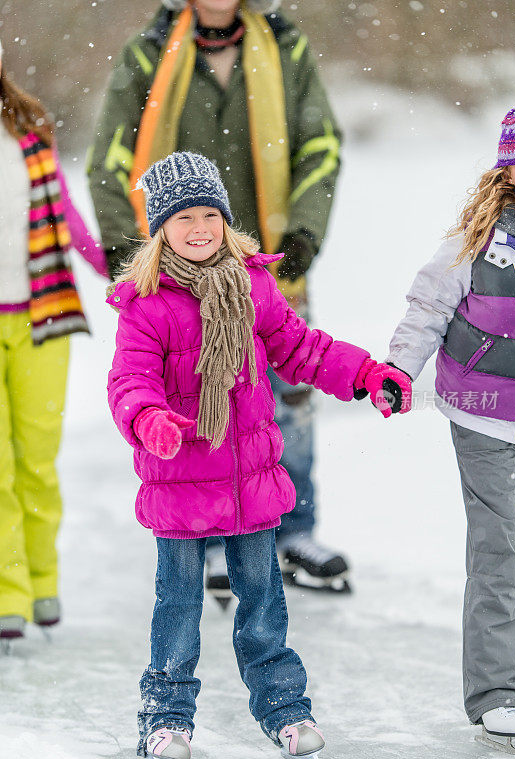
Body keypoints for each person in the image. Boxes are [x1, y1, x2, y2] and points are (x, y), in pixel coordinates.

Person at [106, 151, 411, 759]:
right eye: (184, 217)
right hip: (182, 486)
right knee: (179, 609)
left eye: (210, 214)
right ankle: (164, 718)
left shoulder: (251, 284)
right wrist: (148, 421)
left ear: (225, 218)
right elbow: (130, 382)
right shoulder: (147, 302)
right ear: (160, 227)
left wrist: (364, 374)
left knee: (265, 606)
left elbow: (302, 348)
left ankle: (286, 711)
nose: (199, 228)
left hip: (250, 485)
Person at [89, 0, 350, 601]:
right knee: (194, 392)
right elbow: (110, 158)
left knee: (291, 393)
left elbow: (321, 144)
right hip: (176, 271)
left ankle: (293, 531)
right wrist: (126, 245)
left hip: (269, 262)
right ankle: (207, 538)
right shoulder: (148, 52)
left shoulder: (285, 47)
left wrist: (302, 232)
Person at [387, 103, 515, 755]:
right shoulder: (473, 245)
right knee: (499, 550)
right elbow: (425, 312)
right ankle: (500, 691)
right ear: (509, 175)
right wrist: (397, 370)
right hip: (482, 413)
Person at [0, 39, 107, 646]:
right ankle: (8, 591)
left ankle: (42, 584)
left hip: (42, 318)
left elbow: (64, 216)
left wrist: (121, 276)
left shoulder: (30, 126)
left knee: (37, 459)